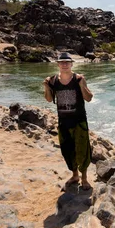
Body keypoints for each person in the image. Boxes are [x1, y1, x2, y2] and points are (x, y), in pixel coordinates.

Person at [43, 52, 94, 190]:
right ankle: (75, 175)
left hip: (79, 121)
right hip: (63, 122)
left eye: (67, 62)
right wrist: (47, 87)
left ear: (71, 64)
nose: (64, 65)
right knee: (67, 150)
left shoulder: (78, 79)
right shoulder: (53, 81)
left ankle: (84, 179)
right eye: (62, 62)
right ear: (58, 65)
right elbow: (48, 99)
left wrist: (82, 85)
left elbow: (89, 98)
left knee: (82, 149)